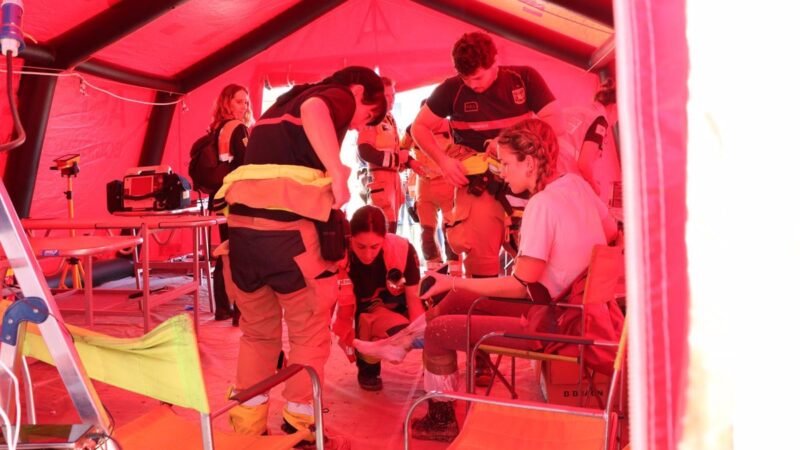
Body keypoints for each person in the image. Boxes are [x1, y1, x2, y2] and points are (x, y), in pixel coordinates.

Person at [394, 119, 617, 442]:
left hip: (557, 323)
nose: (502, 172)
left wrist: (454, 282)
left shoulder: (542, 204)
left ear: (529, 163)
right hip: (577, 310)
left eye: (507, 163)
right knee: (458, 301)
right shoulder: (575, 184)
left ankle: (441, 416)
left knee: (439, 331)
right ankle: (402, 342)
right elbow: (611, 233)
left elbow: (520, 285)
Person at [215, 66, 386, 448]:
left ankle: (248, 429)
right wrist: (337, 174)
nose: (359, 126)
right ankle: (300, 427)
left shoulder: (279, 104)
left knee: (258, 334)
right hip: (288, 237)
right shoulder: (337, 94)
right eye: (367, 115)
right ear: (359, 91)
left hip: (242, 235)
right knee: (309, 330)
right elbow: (315, 110)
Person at [411, 31, 569, 279]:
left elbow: (555, 122)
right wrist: (444, 162)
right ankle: (484, 308)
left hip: (522, 178)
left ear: (495, 61)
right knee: (479, 250)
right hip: (477, 182)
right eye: (466, 78)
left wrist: (507, 143)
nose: (472, 84)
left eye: (478, 77)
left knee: (535, 248)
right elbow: (418, 127)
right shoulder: (452, 90)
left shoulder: (524, 79)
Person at [331, 205, 424, 391]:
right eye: (360, 246)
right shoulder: (338, 255)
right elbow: (323, 304)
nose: (368, 254)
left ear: (385, 238)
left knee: (431, 323)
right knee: (367, 322)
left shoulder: (402, 249)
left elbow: (415, 300)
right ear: (351, 239)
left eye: (375, 246)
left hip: (395, 307)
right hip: (361, 314)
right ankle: (368, 367)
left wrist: (417, 336)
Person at [208, 84, 254, 325]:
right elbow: (247, 166)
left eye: (246, 102)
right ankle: (239, 310)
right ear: (227, 102)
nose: (244, 106)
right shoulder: (238, 129)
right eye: (239, 101)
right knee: (239, 254)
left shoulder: (216, 129)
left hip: (218, 198)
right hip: (234, 198)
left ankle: (223, 308)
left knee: (225, 251)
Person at [400, 99, 460, 275]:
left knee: (451, 231)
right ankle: (433, 273)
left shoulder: (451, 126)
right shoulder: (413, 128)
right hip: (424, 185)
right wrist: (411, 162)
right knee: (427, 234)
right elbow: (401, 151)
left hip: (448, 184)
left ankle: (455, 274)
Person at [357, 77, 422, 233]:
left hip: (393, 183)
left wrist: (411, 162)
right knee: (380, 231)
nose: (392, 99)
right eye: (387, 96)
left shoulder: (390, 118)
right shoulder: (371, 118)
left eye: (393, 95)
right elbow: (365, 151)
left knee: (391, 232)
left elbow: (396, 150)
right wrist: (397, 159)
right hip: (379, 181)